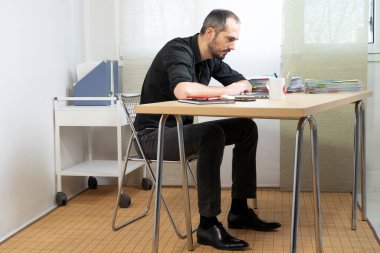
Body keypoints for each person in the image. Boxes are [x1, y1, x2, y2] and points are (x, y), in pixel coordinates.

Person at [134, 9, 281, 250]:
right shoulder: (177, 50)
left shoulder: (212, 59)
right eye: (230, 39)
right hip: (151, 135)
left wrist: (241, 85)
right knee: (211, 134)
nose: (233, 47)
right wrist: (229, 90)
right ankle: (208, 225)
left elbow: (241, 82)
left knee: (245, 127)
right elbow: (184, 90)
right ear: (210, 32)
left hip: (179, 131)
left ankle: (240, 210)